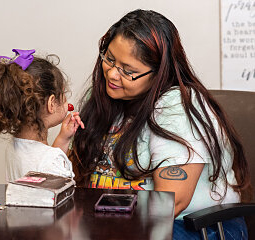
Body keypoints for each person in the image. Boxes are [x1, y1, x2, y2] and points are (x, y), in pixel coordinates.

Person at [69, 10, 252, 239]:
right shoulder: (103, 97)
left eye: (128, 71)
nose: (113, 75)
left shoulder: (178, 107)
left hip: (192, 227)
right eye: (109, 59)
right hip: (113, 221)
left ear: (158, 74)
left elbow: (172, 202)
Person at [0, 49, 84, 182]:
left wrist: (63, 139)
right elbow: (61, 197)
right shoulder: (52, 161)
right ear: (51, 103)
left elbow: (42, 168)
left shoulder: (13, 148)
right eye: (63, 95)